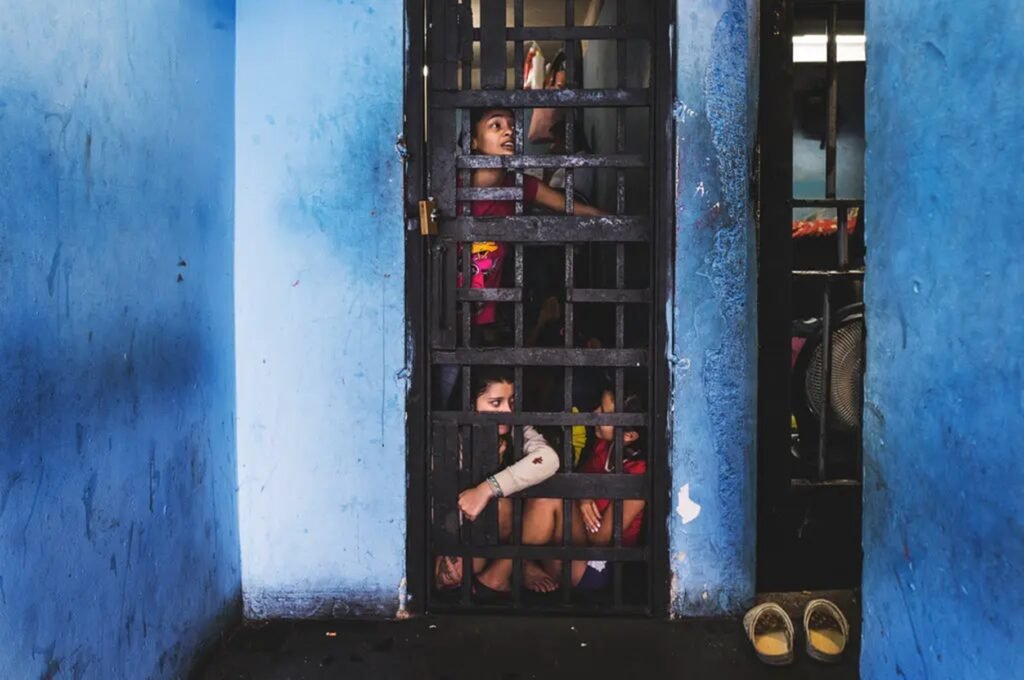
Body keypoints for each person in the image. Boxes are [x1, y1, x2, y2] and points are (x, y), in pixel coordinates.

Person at [437, 108, 605, 407]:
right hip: (444, 317)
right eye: (495, 125)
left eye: (512, 126)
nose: (508, 131)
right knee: (443, 398)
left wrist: (623, 223)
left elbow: (571, 207)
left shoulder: (516, 186)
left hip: (484, 322)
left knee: (478, 399)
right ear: (473, 140)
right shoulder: (452, 189)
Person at [434, 368, 560, 594]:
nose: (507, 411)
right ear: (470, 404)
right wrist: (445, 548)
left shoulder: (517, 429)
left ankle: (508, 570)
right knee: (451, 571)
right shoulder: (450, 439)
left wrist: (487, 488)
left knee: (502, 504)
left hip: (501, 534)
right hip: (465, 536)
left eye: (511, 402)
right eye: (495, 403)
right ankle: (518, 566)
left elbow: (548, 459)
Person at [518, 388, 648, 592]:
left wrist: (579, 496)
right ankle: (520, 565)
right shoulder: (604, 446)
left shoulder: (637, 473)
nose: (594, 412)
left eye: (603, 412)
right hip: (571, 551)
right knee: (548, 489)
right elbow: (577, 485)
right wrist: (581, 497)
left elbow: (600, 539)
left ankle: (517, 566)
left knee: (550, 497)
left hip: (595, 567)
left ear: (629, 435)